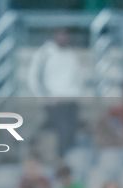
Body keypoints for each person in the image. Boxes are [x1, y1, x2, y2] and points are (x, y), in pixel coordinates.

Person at [28, 28, 82, 157]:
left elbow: (77, 80)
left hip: (70, 102)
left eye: (66, 35)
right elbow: (34, 78)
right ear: (54, 36)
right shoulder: (45, 53)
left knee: (72, 132)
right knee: (64, 130)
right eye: (61, 35)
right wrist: (46, 98)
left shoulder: (71, 54)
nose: (64, 38)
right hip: (54, 103)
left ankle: (71, 160)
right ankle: (62, 159)